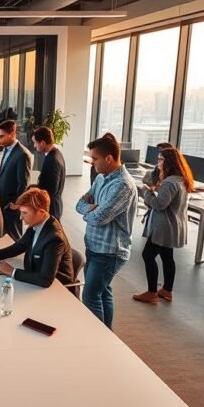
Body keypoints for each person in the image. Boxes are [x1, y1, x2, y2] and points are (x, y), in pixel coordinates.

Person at [76, 134, 137, 329]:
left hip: (109, 251)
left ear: (109, 158)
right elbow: (79, 204)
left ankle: (96, 339)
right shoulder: (101, 178)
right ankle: (107, 333)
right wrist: (90, 209)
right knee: (103, 292)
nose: (91, 162)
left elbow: (99, 218)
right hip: (94, 245)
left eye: (95, 159)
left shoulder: (122, 186)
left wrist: (92, 211)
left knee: (91, 296)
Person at [0, 188, 76, 288]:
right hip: (34, 281)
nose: (21, 217)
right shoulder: (37, 223)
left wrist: (12, 271)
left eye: (25, 213)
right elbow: (21, 245)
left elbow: (45, 280)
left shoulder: (54, 238)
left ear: (41, 212)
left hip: (57, 290)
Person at [133, 147, 192, 304]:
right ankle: (167, 290)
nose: (157, 163)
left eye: (160, 159)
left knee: (148, 255)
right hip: (173, 225)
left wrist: (146, 192)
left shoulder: (170, 182)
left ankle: (152, 293)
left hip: (164, 227)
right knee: (167, 256)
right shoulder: (181, 180)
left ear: (169, 162)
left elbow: (159, 205)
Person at [0, 120, 32, 241]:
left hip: (12, 204)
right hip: (3, 202)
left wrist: (16, 204)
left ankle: (19, 259)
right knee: (5, 235)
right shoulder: (7, 150)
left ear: (12, 134)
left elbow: (23, 183)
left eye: (1, 136)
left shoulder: (22, 154)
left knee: (14, 235)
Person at [31, 126, 66, 220]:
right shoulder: (56, 154)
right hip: (53, 206)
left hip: (51, 209)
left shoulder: (53, 160)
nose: (34, 146)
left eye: (35, 142)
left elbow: (51, 189)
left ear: (42, 143)